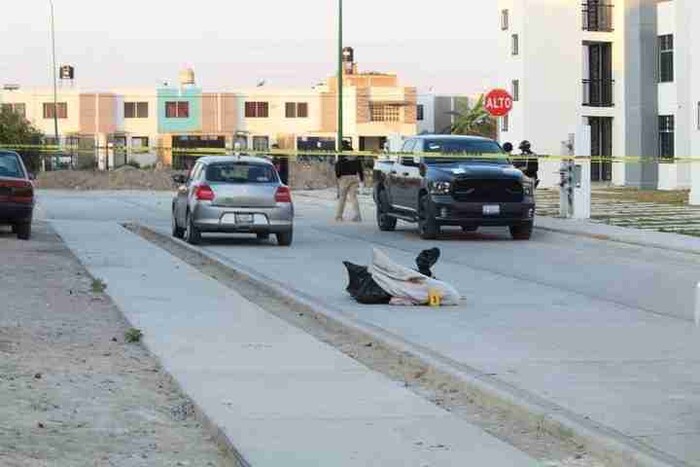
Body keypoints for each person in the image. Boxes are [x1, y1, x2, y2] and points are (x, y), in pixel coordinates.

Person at [335, 141, 364, 222]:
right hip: (354, 177)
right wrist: (361, 180)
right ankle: (357, 216)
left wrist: (338, 176)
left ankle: (339, 216)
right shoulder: (354, 156)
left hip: (344, 178)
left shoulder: (342, 154)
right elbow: (360, 168)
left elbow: (338, 166)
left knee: (342, 198)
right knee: (354, 198)